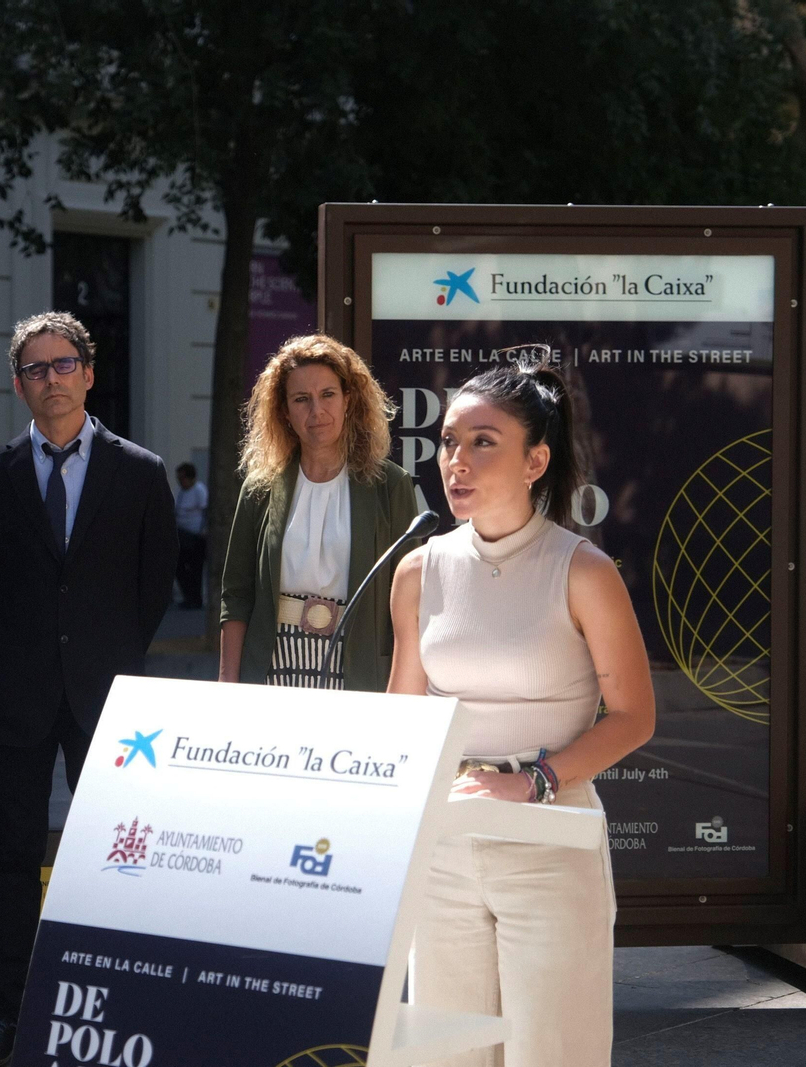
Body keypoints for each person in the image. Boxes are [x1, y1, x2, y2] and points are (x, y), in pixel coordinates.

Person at [387, 350, 655, 1067]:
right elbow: (403, 715)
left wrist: (532, 781)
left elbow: (634, 717)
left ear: (536, 461)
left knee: (551, 1053)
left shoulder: (583, 570)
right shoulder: (419, 569)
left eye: (483, 442)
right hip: (444, 841)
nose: (457, 462)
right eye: (448, 442)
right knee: (444, 1052)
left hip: (550, 839)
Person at [0, 311, 178, 1066]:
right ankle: (4, 1014)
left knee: (113, 857)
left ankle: (109, 1007)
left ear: (88, 370)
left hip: (107, 699)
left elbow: (152, 590)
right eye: (35, 369)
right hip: (15, 697)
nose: (51, 378)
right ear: (18, 385)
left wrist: (101, 657)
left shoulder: (141, 472)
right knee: (13, 854)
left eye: (63, 363)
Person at [219, 334, 416, 691]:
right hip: (271, 668)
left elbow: (412, 602)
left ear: (348, 401)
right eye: (301, 399)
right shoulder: (261, 489)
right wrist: (227, 685)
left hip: (359, 668)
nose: (317, 411)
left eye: (328, 395)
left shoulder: (391, 485)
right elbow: (236, 595)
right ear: (284, 410)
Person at [173, 461, 208, 608]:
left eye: (183, 478)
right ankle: (188, 596)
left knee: (195, 569)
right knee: (179, 566)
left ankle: (195, 598)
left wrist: (204, 530)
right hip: (182, 534)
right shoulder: (181, 492)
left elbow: (206, 511)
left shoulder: (199, 490)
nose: (181, 482)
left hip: (195, 536)